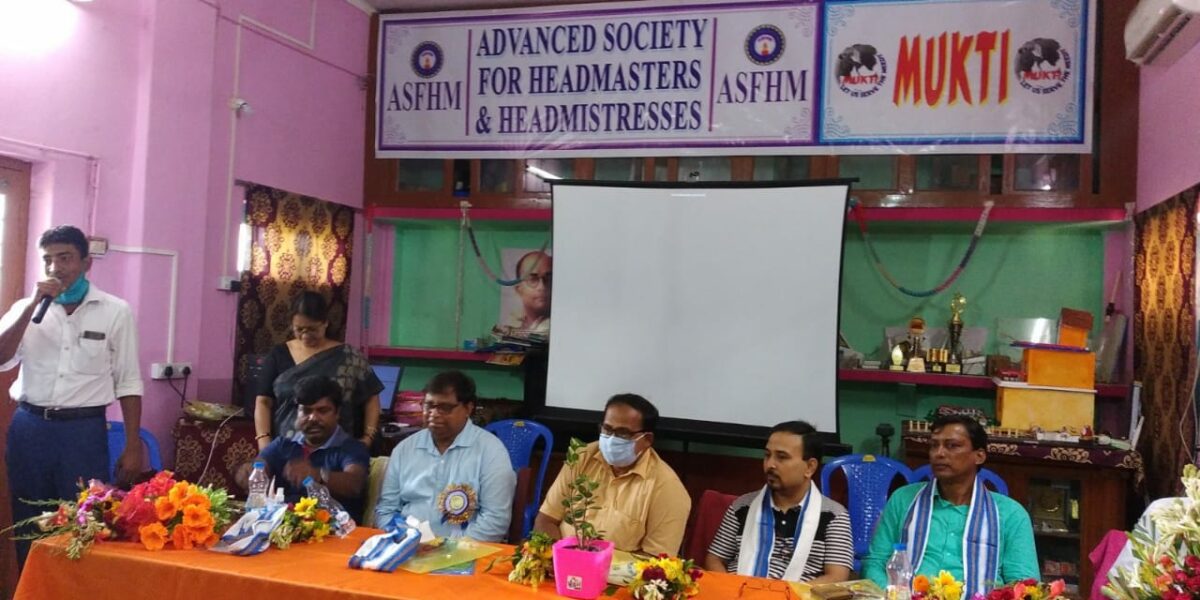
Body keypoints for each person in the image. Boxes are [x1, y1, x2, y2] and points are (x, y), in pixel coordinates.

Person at [0, 225, 144, 567]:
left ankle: (75, 588)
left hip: (82, 431)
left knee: (83, 520)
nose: (55, 268)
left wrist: (132, 444)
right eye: (48, 260)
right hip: (30, 428)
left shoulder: (115, 311)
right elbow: (2, 357)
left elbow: (128, 380)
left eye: (65, 258)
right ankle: (32, 587)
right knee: (29, 520)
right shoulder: (26, 308)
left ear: (86, 263)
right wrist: (32, 306)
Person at [863, 415, 1039, 596]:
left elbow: (1024, 585)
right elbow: (875, 562)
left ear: (979, 456)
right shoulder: (903, 500)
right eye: (934, 445)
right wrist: (895, 596)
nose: (939, 453)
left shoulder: (1011, 514)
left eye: (952, 445)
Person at [534, 393, 691, 556]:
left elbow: (657, 558)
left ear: (647, 439)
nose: (611, 439)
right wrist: (560, 559)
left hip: (618, 571)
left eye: (623, 433)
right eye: (607, 429)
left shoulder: (667, 488)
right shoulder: (581, 457)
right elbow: (546, 519)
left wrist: (598, 566)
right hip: (561, 562)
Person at [374, 371, 515, 541]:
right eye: (428, 405)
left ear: (468, 408)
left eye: (445, 408)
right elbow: (386, 510)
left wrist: (449, 549)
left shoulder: (491, 451)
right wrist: (402, 540)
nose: (434, 414)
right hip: (407, 546)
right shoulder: (404, 449)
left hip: (465, 550)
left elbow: (495, 522)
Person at [705, 421, 854, 582]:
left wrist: (785, 593)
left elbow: (836, 577)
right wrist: (730, 588)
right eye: (767, 455)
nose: (770, 465)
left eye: (781, 457)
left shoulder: (834, 516)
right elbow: (714, 559)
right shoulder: (742, 507)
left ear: (810, 467)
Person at [254, 290, 383, 451]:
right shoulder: (278, 355)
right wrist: (264, 442)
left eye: (312, 329)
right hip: (287, 450)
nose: (305, 335)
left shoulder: (348, 357)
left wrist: (368, 437)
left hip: (338, 451)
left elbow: (371, 398)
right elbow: (263, 401)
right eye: (299, 329)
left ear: (325, 323)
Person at [237, 375, 369, 522]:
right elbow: (259, 464)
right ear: (297, 413)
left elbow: (354, 484)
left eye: (322, 411)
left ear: (337, 413)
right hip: (281, 527)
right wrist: (248, 471)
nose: (313, 418)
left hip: (333, 529)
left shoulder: (352, 448)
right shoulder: (282, 445)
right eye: (306, 411)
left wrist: (316, 475)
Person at [503, 250, 551, 333]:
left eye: (549, 279)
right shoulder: (509, 325)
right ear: (518, 289)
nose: (542, 287)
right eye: (533, 279)